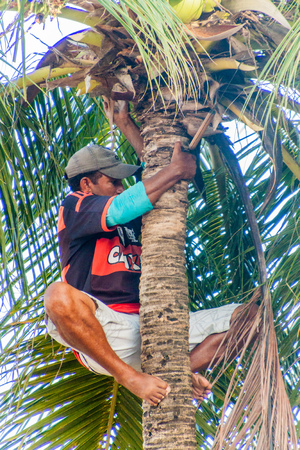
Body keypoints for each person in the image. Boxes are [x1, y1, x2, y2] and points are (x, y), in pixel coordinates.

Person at [44, 102, 256, 406]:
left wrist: (127, 126)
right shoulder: (75, 206)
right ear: (87, 184)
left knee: (251, 316)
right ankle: (129, 377)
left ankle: (179, 374)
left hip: (154, 327)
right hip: (105, 330)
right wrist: (173, 171)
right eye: (112, 181)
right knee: (57, 296)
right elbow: (129, 201)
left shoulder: (133, 212)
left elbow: (160, 178)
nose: (121, 187)